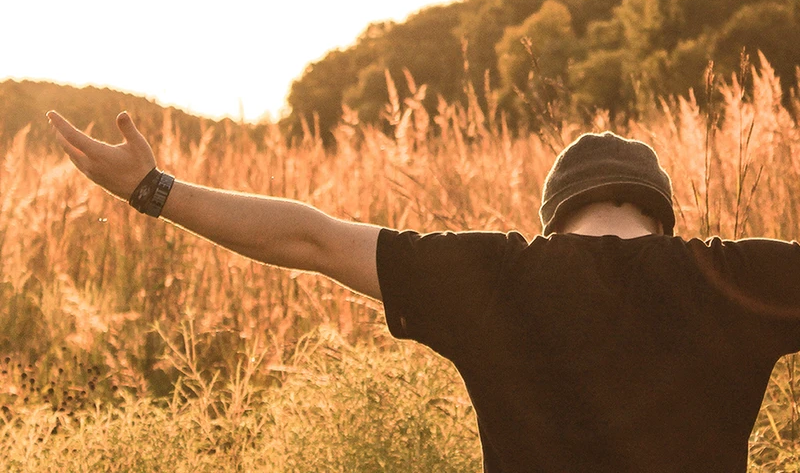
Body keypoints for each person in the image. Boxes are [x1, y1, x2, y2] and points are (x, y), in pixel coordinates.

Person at [46, 110, 800, 473]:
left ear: (554, 218)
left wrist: (151, 188)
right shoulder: (731, 278)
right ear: (660, 217)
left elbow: (311, 237)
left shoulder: (501, 278)